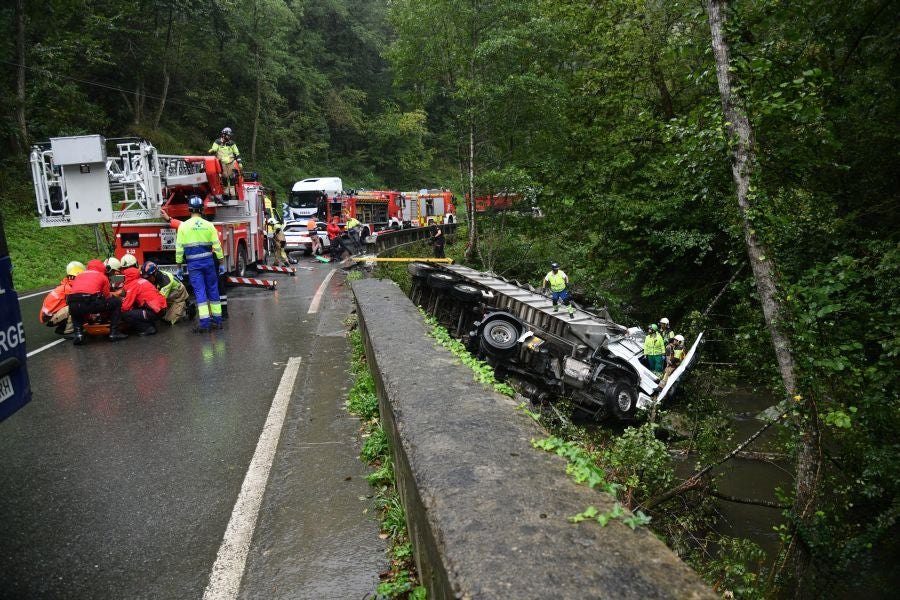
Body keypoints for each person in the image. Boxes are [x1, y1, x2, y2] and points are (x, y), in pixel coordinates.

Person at [176, 195, 225, 333]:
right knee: (213, 290)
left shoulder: (183, 227)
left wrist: (179, 266)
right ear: (202, 209)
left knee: (200, 292)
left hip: (193, 264)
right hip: (209, 262)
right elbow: (217, 246)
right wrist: (221, 262)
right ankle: (218, 321)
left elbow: (179, 249)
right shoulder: (209, 225)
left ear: (189, 209)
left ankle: (205, 324)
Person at [66, 259, 128, 344]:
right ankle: (114, 333)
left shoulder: (79, 275)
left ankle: (78, 334)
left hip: (72, 302)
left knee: (76, 308)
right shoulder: (102, 276)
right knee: (116, 302)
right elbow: (107, 296)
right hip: (91, 302)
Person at [39, 261, 84, 338]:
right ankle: (66, 331)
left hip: (49, 314)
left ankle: (67, 325)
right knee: (75, 306)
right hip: (49, 317)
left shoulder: (66, 283)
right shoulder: (69, 289)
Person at [120, 266, 167, 335]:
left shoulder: (134, 285)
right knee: (136, 309)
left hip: (154, 311)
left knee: (125, 315)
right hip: (161, 309)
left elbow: (125, 307)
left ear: (128, 277)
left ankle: (148, 328)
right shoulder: (142, 281)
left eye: (125, 276)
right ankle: (150, 323)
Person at [208, 127, 242, 199]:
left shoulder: (232, 143)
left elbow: (237, 153)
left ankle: (233, 195)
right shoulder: (217, 142)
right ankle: (226, 194)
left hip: (231, 162)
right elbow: (215, 148)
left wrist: (239, 162)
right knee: (224, 178)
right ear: (223, 135)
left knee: (232, 178)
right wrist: (212, 150)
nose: (229, 137)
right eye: (228, 135)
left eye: (230, 136)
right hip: (221, 163)